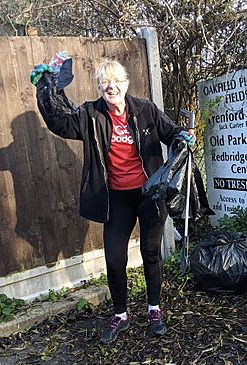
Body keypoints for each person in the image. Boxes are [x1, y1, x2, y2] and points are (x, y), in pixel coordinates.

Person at [32, 58, 193, 344]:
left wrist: (183, 136)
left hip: (149, 194)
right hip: (116, 197)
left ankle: (154, 309)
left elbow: (171, 132)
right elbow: (60, 123)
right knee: (115, 257)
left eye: (116, 80)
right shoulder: (91, 115)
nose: (111, 86)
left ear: (126, 83)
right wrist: (46, 90)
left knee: (151, 253)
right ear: (99, 86)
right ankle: (120, 314)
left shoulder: (145, 110)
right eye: (105, 81)